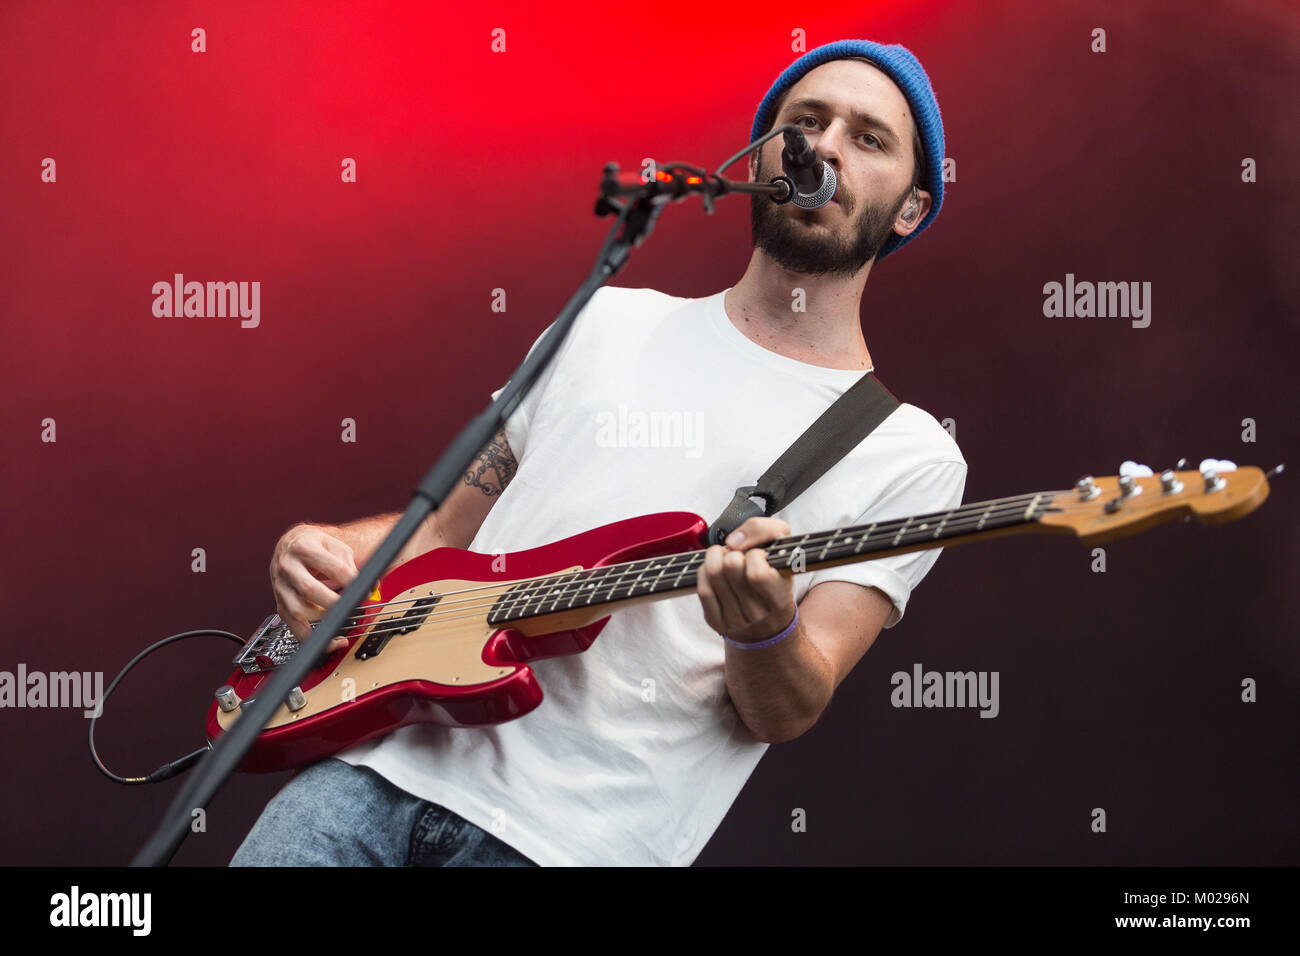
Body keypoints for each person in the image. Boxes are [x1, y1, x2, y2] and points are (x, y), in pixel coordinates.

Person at [231, 39, 966, 867]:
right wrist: (330, 555)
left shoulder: (904, 452)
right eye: (805, 122)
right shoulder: (607, 319)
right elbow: (441, 533)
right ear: (764, 156)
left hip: (571, 843)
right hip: (367, 775)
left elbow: (783, 711)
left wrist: (764, 632)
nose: (824, 147)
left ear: (911, 206)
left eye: (868, 138)